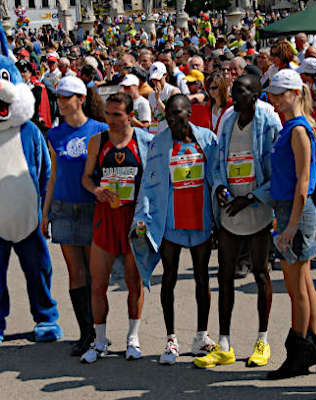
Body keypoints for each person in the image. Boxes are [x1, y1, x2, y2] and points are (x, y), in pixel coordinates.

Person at [193, 74, 282, 369]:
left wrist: (254, 196)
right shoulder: (228, 120)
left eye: (243, 90)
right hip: (230, 209)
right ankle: (225, 343)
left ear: (256, 94)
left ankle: (263, 340)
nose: (236, 93)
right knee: (225, 275)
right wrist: (219, 186)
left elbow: (276, 168)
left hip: (256, 208)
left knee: (260, 273)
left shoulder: (268, 122)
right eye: (234, 89)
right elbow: (219, 162)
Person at [130, 94, 219, 365]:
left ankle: (201, 336)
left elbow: (218, 177)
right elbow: (148, 183)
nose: (173, 120)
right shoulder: (160, 142)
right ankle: (171, 339)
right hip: (170, 222)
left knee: (202, 278)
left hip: (200, 219)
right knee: (168, 277)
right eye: (168, 116)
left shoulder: (208, 140)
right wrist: (141, 219)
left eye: (178, 115)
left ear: (189, 112)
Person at [79, 93, 154, 363]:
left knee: (134, 283)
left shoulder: (144, 141)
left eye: (117, 114)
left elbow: (154, 183)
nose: (110, 120)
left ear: (130, 115)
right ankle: (99, 341)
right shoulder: (97, 142)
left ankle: (133, 338)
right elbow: (87, 177)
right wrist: (96, 189)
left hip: (134, 221)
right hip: (105, 219)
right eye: (108, 114)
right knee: (98, 284)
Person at [42, 76, 109, 357]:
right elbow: (54, 175)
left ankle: (99, 333)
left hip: (93, 208)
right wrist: (44, 214)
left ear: (80, 99)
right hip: (64, 208)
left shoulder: (100, 129)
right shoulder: (54, 134)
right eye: (58, 97)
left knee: (96, 276)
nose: (60, 102)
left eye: (65, 97)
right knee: (75, 274)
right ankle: (86, 334)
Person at [266, 69, 316, 379]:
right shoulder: (293, 127)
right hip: (291, 209)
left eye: (278, 93)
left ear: (294, 94)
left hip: (296, 211)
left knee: (297, 289)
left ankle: (299, 353)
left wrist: (290, 226)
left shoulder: (298, 130)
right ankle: (310, 346)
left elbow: (303, 183)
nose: (273, 99)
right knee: (302, 285)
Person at [16, 59, 52, 135]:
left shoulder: (37, 88)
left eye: (24, 71)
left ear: (29, 73)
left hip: (32, 124)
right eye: (18, 71)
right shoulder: (10, 87)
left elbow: (43, 109)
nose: (21, 74)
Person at [147, 62, 180, 135]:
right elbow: (153, 117)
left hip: (171, 133)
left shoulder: (173, 91)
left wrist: (158, 100)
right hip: (157, 135)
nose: (156, 82)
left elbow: (171, 116)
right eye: (154, 79)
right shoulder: (151, 95)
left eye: (158, 79)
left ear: (165, 75)